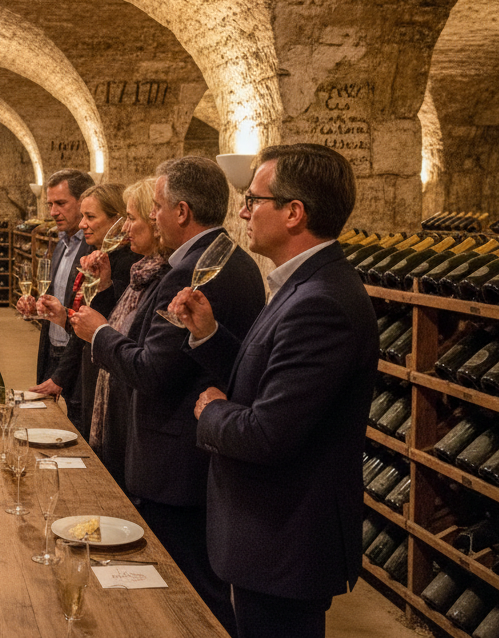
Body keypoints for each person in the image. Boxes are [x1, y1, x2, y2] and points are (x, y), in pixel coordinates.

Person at [170, 144, 377, 638]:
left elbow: (269, 433)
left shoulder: (322, 301)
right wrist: (209, 334)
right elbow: (266, 378)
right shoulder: (302, 284)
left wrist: (211, 410)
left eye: (253, 199)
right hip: (272, 536)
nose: (242, 211)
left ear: (293, 213)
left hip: (286, 539)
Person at [68, 156, 265, 637]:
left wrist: (100, 335)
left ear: (181, 210)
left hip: (175, 457)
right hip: (197, 452)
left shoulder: (191, 273)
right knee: (198, 583)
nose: (150, 218)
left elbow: (153, 370)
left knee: (189, 593)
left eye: (155, 207)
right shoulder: (230, 260)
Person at [49, 179, 169, 484]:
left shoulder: (149, 271)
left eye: (132, 219)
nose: (127, 229)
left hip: (128, 404)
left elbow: (119, 336)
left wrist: (87, 323)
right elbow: (109, 323)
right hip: (98, 382)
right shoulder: (139, 269)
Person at [36, 183, 139, 436]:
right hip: (83, 368)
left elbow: (108, 328)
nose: (82, 224)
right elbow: (86, 320)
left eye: (90, 217)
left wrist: (60, 377)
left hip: (102, 377)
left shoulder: (124, 264)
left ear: (117, 220)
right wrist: (63, 316)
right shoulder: (99, 255)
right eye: (83, 216)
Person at [19, 169, 93, 390]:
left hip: (78, 355)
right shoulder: (61, 244)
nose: (52, 212)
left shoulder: (94, 248)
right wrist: (37, 308)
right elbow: (58, 296)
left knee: (77, 421)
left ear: (83, 202)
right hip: (53, 347)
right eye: (50, 204)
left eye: (60, 203)